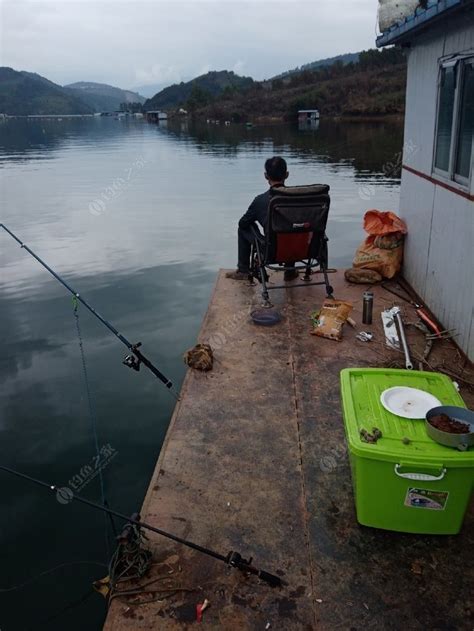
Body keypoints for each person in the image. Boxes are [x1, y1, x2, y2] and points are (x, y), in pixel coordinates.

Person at [226, 156, 298, 281]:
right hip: (301, 250)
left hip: (271, 252)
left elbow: (243, 223)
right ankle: (290, 271)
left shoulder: (260, 201)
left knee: (244, 227)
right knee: (292, 229)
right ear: (287, 174)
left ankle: (243, 270)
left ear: (266, 176)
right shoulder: (301, 198)